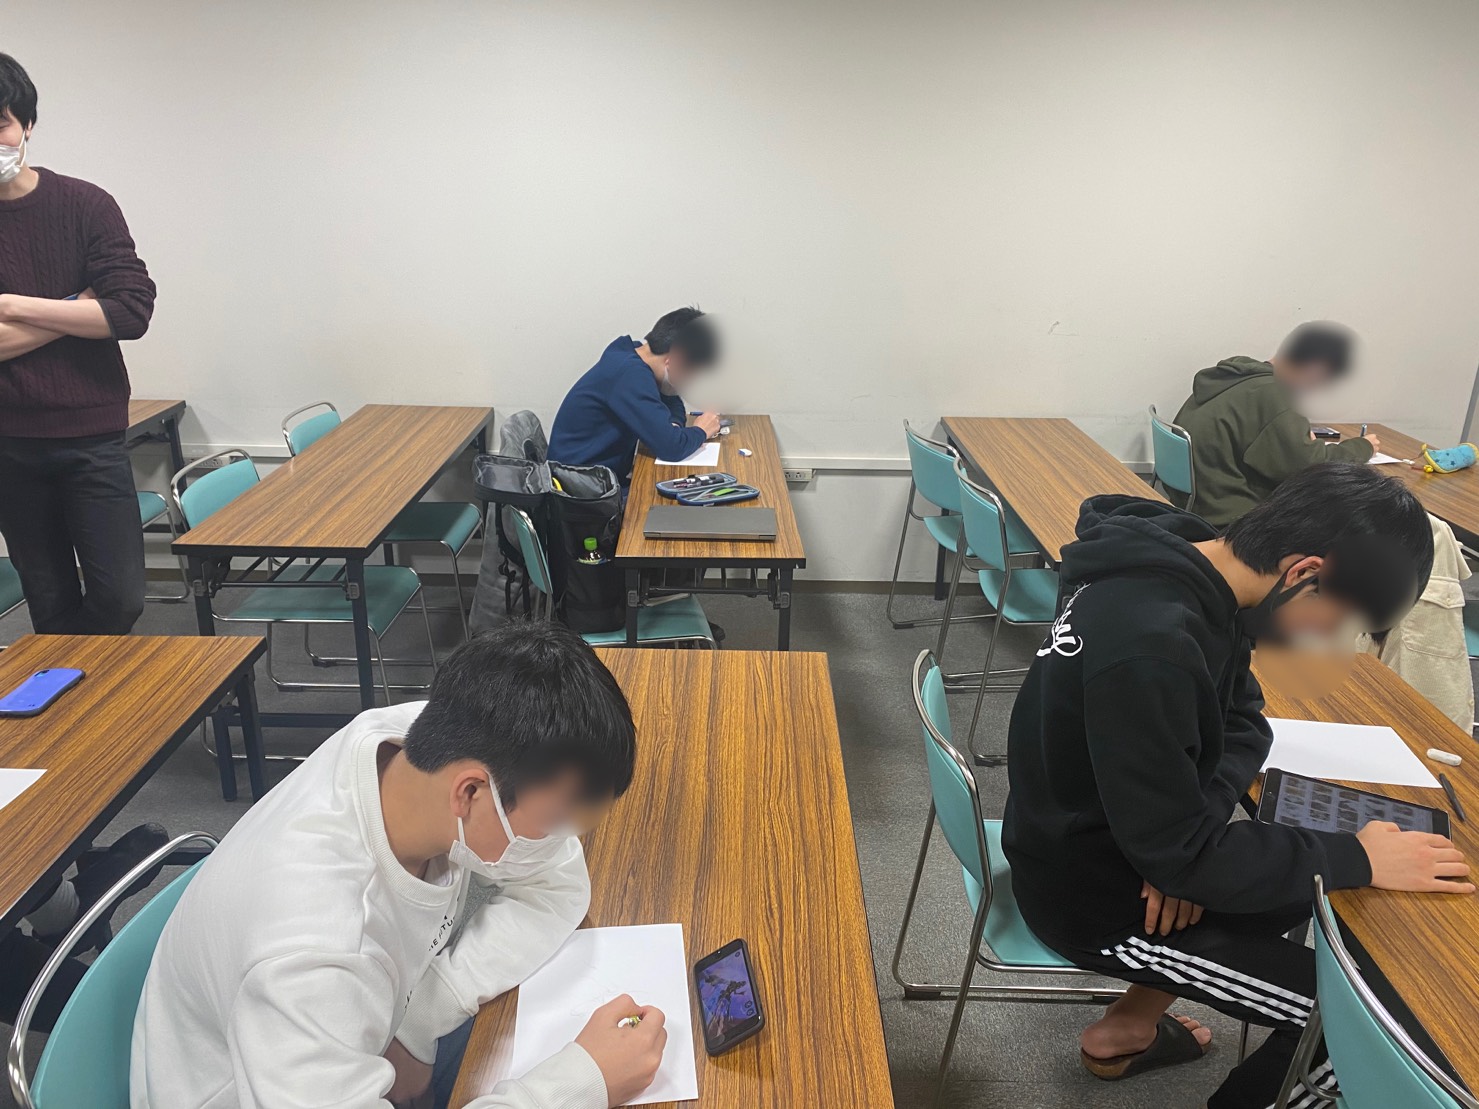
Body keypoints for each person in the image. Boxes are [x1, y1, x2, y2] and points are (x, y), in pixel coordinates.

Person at [1001, 463, 1468, 1109]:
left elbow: (1245, 721)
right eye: (1336, 616)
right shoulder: (1153, 640)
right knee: (1363, 1029)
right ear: (1303, 573)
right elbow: (1183, 848)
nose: (1323, 636)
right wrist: (1355, 856)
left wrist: (1186, 844)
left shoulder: (1200, 580)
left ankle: (1128, 1026)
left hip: (1123, 844)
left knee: (1293, 884)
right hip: (1092, 899)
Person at [131, 624, 668, 1109]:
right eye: (553, 819)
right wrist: (579, 1086)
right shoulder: (313, 953)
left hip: (351, 1036)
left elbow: (557, 886)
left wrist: (417, 1025)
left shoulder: (425, 740)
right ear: (470, 793)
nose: (559, 840)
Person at [0, 53, 156, 635]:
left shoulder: (85, 204)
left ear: (28, 125)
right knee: (49, 601)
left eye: (1, 124)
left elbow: (131, 312)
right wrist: (76, 306)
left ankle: (88, 676)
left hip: (92, 436)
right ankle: (73, 691)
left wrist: (10, 305)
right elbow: (105, 311)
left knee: (121, 598)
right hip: (8, 442)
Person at [1171, 322, 1380, 529]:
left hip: (1192, 501)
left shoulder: (1234, 378)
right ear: (1317, 368)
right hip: (1226, 516)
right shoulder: (1275, 394)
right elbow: (1312, 468)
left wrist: (1298, 437)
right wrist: (1363, 447)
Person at [548, 307, 722, 485]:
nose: (688, 383)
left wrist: (673, 426)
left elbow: (672, 399)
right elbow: (671, 448)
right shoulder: (629, 375)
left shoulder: (636, 356)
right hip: (580, 488)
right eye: (691, 374)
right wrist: (701, 431)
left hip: (597, 477)